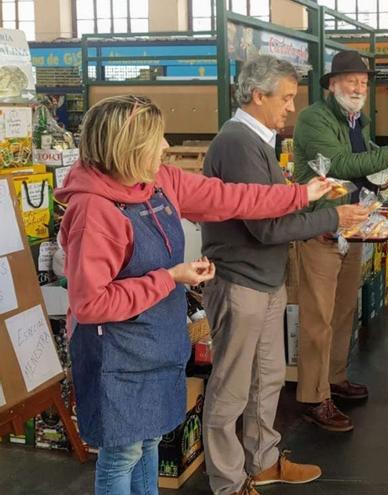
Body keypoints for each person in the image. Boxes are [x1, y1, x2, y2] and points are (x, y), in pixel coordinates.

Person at [56, 95, 332, 495]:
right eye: (158, 138)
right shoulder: (94, 211)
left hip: (154, 345)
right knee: (121, 455)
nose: (166, 146)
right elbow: (91, 303)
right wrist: (170, 277)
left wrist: (300, 196)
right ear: (128, 146)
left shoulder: (159, 181)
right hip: (114, 357)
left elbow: (231, 197)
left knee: (148, 441)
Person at [199, 56, 369, 495]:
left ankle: (264, 461)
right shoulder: (238, 143)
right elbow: (265, 225)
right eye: (286, 98)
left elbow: (271, 211)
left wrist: (309, 197)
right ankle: (228, 481)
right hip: (241, 280)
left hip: (264, 277)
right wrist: (330, 217)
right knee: (232, 388)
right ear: (258, 96)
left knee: (268, 378)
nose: (291, 108)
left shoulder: (259, 141)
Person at [292, 50, 388, 431]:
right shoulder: (313, 118)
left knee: (344, 308)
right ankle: (314, 397)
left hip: (349, 227)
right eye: (350, 80)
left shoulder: (356, 120)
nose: (358, 86)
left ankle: (334, 377)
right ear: (332, 85)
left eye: (363, 82)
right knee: (318, 317)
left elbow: (362, 170)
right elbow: (338, 166)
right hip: (318, 227)